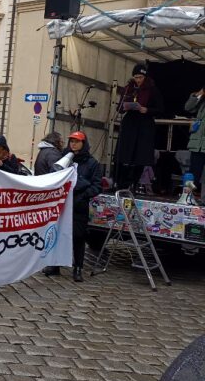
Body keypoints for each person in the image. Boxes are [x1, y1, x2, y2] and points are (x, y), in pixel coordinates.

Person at [43, 132, 101, 282]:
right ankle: (55, 265)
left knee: (78, 237)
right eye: (71, 141)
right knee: (58, 233)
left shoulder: (92, 163)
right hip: (62, 204)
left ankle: (78, 268)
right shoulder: (64, 159)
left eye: (77, 141)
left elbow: (97, 186)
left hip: (78, 206)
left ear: (83, 143)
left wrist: (82, 194)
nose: (73, 144)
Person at [114, 64, 164, 189]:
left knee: (140, 156)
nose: (138, 80)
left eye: (140, 77)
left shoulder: (152, 89)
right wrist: (125, 106)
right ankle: (120, 183)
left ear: (145, 76)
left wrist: (146, 109)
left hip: (144, 124)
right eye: (136, 77)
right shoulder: (128, 88)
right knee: (124, 153)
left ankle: (134, 183)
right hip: (130, 123)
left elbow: (160, 109)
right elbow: (119, 107)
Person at [185, 87, 205, 190]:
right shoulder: (202, 100)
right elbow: (188, 108)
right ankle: (188, 196)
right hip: (197, 142)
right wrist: (199, 94)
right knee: (193, 172)